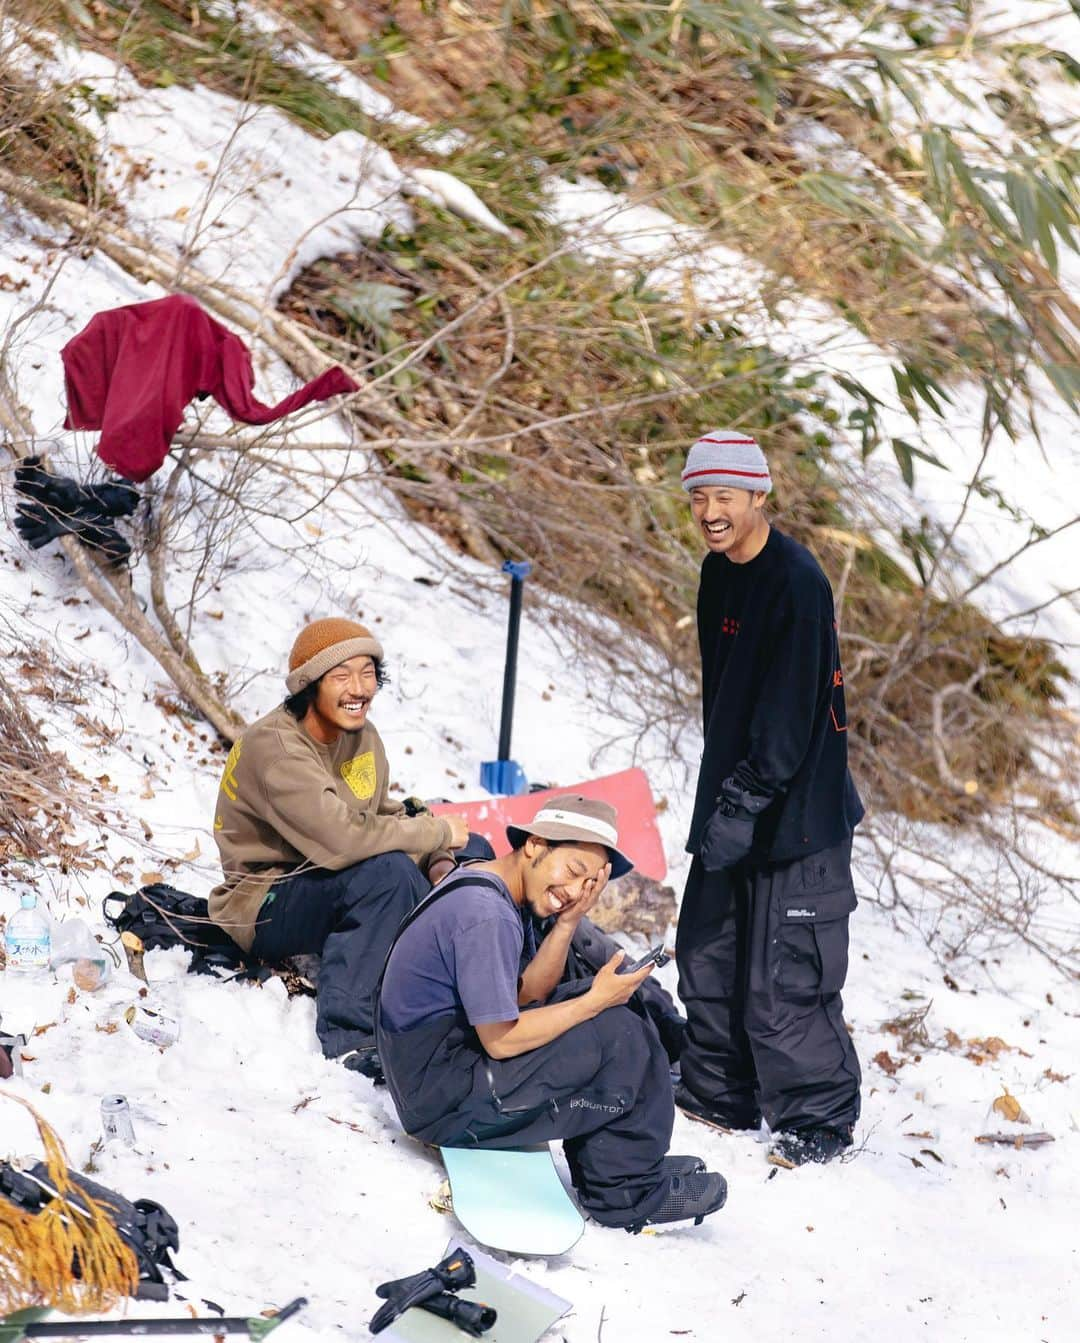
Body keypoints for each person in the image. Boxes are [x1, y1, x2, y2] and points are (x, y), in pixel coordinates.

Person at [376, 795, 728, 1232]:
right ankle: (625, 1195)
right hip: (440, 1099)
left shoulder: (489, 886)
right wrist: (593, 1003)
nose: (575, 891)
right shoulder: (486, 915)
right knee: (619, 1034)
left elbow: (525, 996)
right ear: (535, 845)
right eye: (574, 872)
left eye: (587, 884)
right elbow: (501, 1039)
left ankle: (623, 1166)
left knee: (613, 1005)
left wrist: (567, 923)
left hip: (435, 1074)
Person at [675, 429, 864, 1165]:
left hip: (796, 817)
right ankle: (720, 1090)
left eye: (725, 495)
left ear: (760, 495)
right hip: (731, 797)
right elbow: (723, 695)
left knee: (783, 976)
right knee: (709, 951)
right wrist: (721, 802)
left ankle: (818, 1120)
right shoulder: (718, 572)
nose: (711, 510)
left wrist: (745, 801)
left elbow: (789, 712)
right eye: (698, 496)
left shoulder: (798, 583)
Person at [209, 617, 471, 1077]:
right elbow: (343, 841)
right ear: (310, 685)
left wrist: (440, 857)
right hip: (264, 898)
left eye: (368, 673)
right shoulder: (277, 750)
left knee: (472, 855)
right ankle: (350, 1038)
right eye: (342, 676)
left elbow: (381, 814)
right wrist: (436, 835)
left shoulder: (360, 736)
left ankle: (470, 993)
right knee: (387, 876)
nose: (359, 688)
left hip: (324, 877)